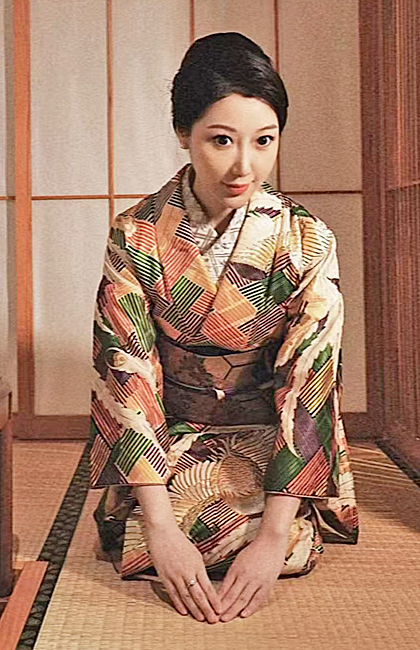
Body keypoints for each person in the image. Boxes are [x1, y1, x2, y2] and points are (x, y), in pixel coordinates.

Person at [90, 32, 358, 624]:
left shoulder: (306, 238)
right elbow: (126, 374)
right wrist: (160, 526)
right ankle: (160, 525)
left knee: (276, 545)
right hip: (169, 438)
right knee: (157, 536)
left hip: (267, 432)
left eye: (264, 141)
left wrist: (272, 536)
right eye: (221, 140)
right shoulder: (135, 235)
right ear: (183, 133)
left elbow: (310, 384)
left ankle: (277, 526)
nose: (245, 166)